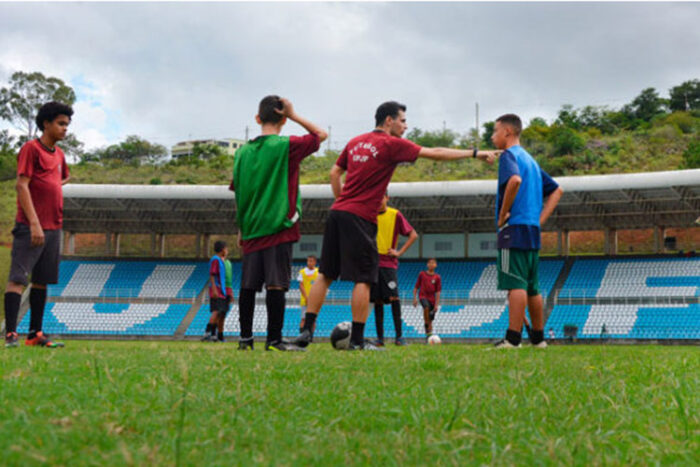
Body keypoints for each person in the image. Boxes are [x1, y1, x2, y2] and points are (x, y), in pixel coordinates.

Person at [294, 101, 499, 351]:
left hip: (338, 213)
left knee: (325, 275)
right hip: (360, 217)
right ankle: (357, 341)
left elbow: (334, 173)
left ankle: (306, 332)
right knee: (364, 279)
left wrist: (342, 201)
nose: (406, 125)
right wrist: (475, 153)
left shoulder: (356, 141)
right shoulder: (390, 144)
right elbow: (435, 152)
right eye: (402, 120)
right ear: (389, 121)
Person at [231, 95, 327, 351]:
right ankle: (273, 340)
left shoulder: (241, 154)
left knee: (248, 285)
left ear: (257, 118)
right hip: (278, 226)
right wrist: (295, 115)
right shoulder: (286, 146)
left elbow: (239, 192)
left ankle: (245, 339)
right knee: (276, 283)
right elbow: (320, 135)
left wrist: (241, 227)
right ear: (283, 119)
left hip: (250, 228)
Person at [4, 102, 73, 348]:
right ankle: (11, 334)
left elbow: (65, 176)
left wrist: (51, 185)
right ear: (46, 123)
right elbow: (22, 185)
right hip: (31, 225)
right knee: (18, 278)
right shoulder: (31, 149)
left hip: (54, 225)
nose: (65, 129)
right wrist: (34, 223)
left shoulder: (60, 155)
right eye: (61, 123)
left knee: (42, 280)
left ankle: (35, 334)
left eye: (67, 124)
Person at [491, 114, 563, 348]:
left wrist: (502, 215)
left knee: (515, 283)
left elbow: (514, 181)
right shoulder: (531, 160)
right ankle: (539, 338)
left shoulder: (509, 156)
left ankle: (513, 339)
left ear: (507, 133)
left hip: (513, 229)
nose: (493, 137)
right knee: (533, 286)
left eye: (495, 131)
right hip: (531, 230)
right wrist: (539, 219)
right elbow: (557, 190)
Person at [371, 193, 418, 346]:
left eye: (381, 197)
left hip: (388, 264)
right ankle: (380, 339)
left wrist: (399, 252)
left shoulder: (395, 214)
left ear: (387, 197)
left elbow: (413, 234)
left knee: (394, 298)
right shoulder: (369, 215)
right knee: (377, 301)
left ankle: (399, 337)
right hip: (372, 263)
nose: (379, 201)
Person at [203, 240, 229, 342]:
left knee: (220, 312)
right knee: (216, 311)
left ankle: (214, 335)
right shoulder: (215, 260)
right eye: (226, 249)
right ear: (223, 250)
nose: (227, 251)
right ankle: (207, 333)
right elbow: (212, 274)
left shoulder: (221, 260)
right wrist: (214, 289)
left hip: (221, 290)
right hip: (216, 289)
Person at [413, 258, 442, 339]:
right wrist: (414, 298)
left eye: (433, 263)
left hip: (432, 300)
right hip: (423, 296)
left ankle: (428, 337)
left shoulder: (437, 277)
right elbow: (416, 287)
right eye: (430, 263)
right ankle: (426, 323)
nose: (431, 264)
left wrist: (436, 305)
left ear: (436, 265)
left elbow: (438, 292)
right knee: (426, 307)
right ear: (427, 264)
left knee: (431, 320)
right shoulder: (422, 274)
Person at [297, 255, 319, 337]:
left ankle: (311, 337)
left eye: (311, 261)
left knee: (313, 320)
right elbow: (301, 285)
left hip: (315, 300)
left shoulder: (318, 272)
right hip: (305, 300)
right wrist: (306, 297)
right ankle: (302, 336)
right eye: (308, 261)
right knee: (303, 318)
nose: (309, 263)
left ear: (315, 262)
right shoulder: (302, 272)